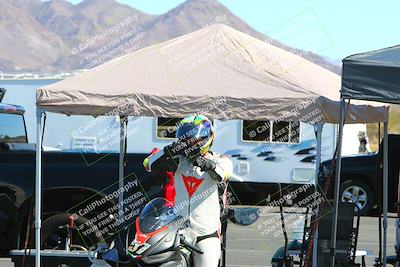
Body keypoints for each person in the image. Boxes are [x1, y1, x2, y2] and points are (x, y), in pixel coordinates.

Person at [143, 115, 233, 267]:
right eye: (185, 139)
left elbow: (224, 173)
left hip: (206, 233)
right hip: (178, 232)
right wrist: (170, 149)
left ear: (207, 138)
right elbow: (148, 164)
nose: (189, 143)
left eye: (194, 140)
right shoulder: (179, 159)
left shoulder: (220, 159)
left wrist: (207, 165)